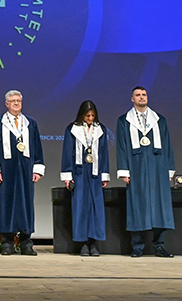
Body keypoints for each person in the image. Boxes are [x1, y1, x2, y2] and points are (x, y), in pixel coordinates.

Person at [116, 86, 175, 258]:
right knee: (137, 205)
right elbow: (121, 147)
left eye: (144, 94)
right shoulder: (124, 121)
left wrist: (169, 169)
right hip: (136, 167)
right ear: (132, 99)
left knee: (160, 206)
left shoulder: (159, 120)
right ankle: (137, 246)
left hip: (158, 166)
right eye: (138, 95)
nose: (141, 97)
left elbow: (167, 145)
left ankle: (159, 245)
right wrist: (124, 170)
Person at [0, 89, 45, 256]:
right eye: (13, 101)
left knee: (26, 204)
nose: (16, 103)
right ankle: (7, 242)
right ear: (6, 104)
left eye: (18, 101)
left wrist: (37, 168)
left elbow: (37, 146)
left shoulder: (30, 122)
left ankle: (26, 242)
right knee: (6, 203)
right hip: (6, 169)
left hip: (26, 169)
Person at [60, 100, 109, 257]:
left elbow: (104, 154)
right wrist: (67, 175)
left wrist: (104, 174)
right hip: (79, 173)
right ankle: (82, 244)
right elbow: (67, 152)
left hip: (95, 174)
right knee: (80, 208)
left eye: (93, 116)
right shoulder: (72, 129)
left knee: (95, 208)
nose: (90, 118)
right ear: (82, 115)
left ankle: (93, 243)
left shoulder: (100, 129)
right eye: (87, 116)